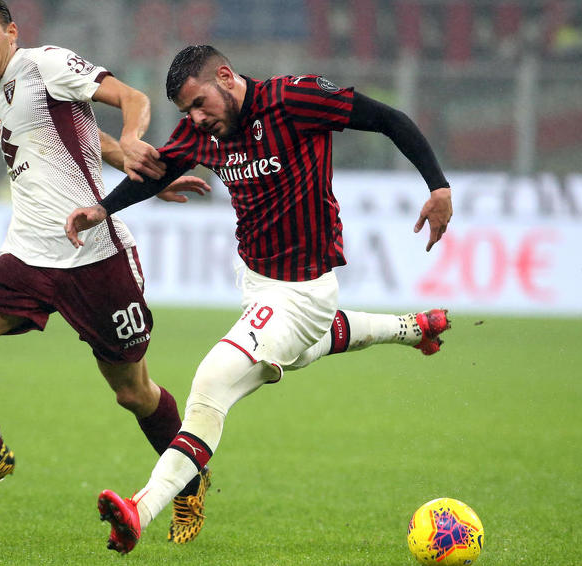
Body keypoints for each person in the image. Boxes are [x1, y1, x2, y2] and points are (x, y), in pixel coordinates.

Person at [65, 45, 453, 554]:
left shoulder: (296, 99)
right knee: (302, 348)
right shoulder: (203, 134)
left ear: (225, 76)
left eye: (201, 104)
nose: (197, 119)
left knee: (211, 384)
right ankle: (413, 329)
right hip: (254, 279)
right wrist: (102, 209)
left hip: (304, 290)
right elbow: (158, 172)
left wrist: (438, 186)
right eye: (187, 113)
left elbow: (389, 118)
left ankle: (141, 509)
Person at [0, 0, 214, 545]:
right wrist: (144, 174)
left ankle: (188, 482)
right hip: (27, 256)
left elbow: (131, 99)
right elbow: (90, 141)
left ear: (12, 32)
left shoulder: (44, 64)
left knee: (133, 393)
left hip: (96, 258)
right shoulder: (7, 88)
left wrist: (137, 137)